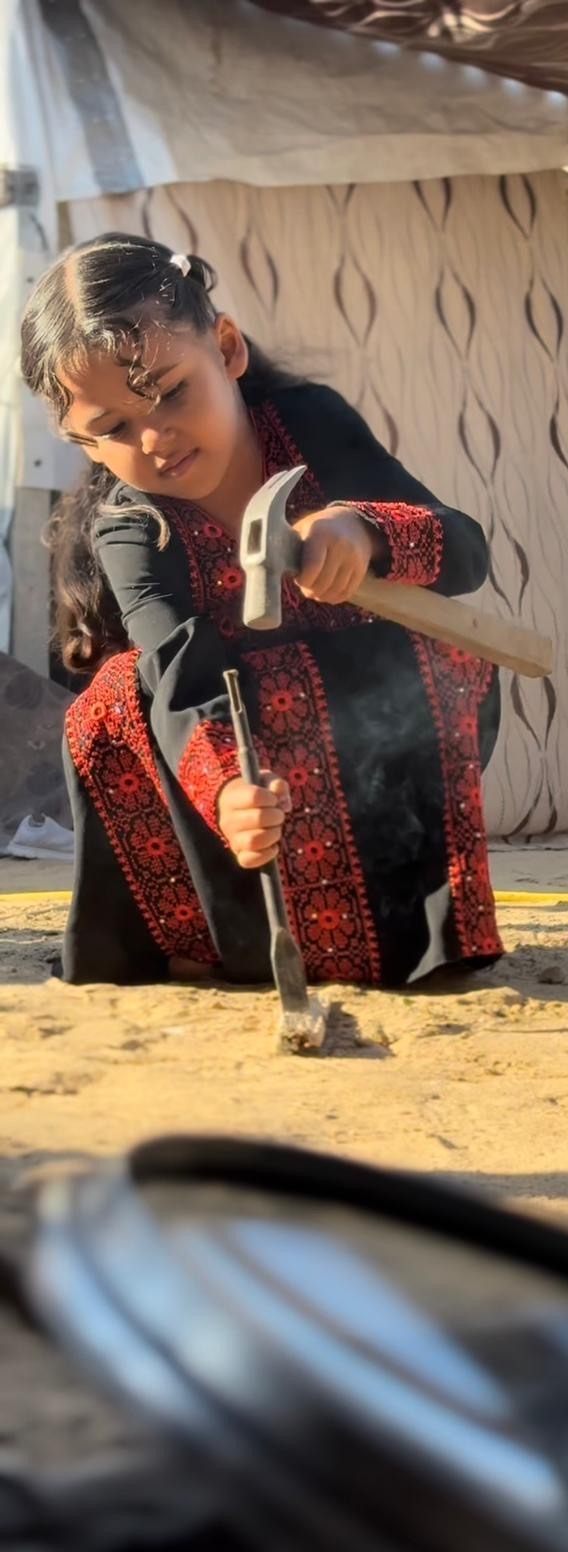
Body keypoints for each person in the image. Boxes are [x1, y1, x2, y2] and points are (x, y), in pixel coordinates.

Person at [20, 232, 502, 988]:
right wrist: (228, 790)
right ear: (81, 442)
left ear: (227, 349)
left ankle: (412, 935)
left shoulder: (311, 425)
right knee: (109, 706)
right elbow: (180, 678)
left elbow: (466, 555)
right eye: (113, 428)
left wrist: (366, 532)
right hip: (234, 738)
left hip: (366, 722)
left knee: (445, 652)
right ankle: (208, 942)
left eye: (171, 391)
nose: (156, 437)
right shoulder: (133, 529)